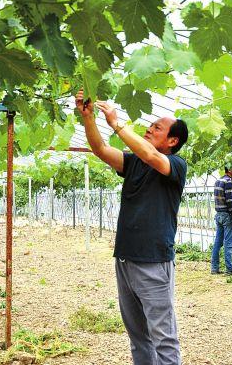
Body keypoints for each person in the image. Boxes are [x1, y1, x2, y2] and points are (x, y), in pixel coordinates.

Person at [75, 90, 188, 365]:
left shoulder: (175, 165)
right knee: (138, 338)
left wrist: (116, 124)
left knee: (163, 338)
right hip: (125, 259)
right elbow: (100, 149)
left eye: (157, 128)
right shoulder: (134, 162)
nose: (150, 129)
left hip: (153, 260)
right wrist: (88, 118)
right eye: (150, 125)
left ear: (172, 141)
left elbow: (151, 156)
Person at [211, 166, 232, 275]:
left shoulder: (218, 181)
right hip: (227, 215)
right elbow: (230, 200)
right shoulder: (228, 182)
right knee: (228, 243)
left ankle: (214, 268)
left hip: (218, 214)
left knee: (217, 243)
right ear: (230, 170)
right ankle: (229, 269)